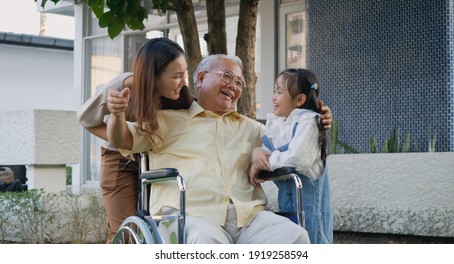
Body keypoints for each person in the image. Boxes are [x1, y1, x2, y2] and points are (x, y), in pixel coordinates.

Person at [106, 54, 332, 244]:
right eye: (227, 77)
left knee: (294, 236)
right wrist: (117, 115)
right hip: (193, 217)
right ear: (201, 78)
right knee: (207, 243)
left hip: (249, 219)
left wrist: (314, 119)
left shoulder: (253, 129)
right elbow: (122, 139)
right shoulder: (167, 120)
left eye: (239, 82)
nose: (234, 86)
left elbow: (295, 145)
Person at [77, 37, 194, 243]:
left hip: (155, 160)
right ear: (153, 76)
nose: (183, 81)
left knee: (155, 229)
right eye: (176, 76)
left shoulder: (178, 93)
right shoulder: (121, 89)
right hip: (120, 163)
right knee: (127, 231)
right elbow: (86, 119)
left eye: (184, 73)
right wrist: (124, 142)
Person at [249, 68, 333, 244]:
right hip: (288, 204)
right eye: (274, 91)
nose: (274, 96)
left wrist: (264, 162)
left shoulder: (308, 121)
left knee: (313, 241)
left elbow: (298, 159)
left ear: (300, 99)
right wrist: (258, 159)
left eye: (279, 92)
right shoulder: (281, 124)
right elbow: (267, 150)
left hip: (309, 206)